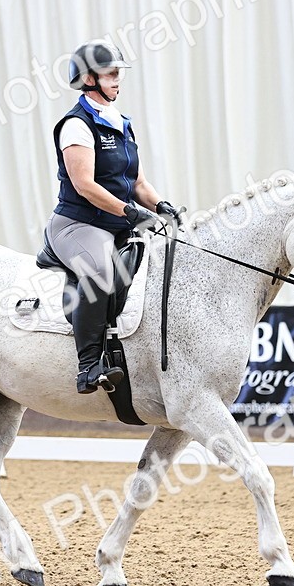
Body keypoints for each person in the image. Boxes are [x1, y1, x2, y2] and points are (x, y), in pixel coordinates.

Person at [43, 40, 183, 394]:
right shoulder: (76, 125)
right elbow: (86, 185)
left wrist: (160, 206)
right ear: (88, 79)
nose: (118, 79)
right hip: (78, 224)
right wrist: (129, 211)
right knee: (102, 269)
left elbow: (137, 182)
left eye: (119, 72)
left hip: (119, 222)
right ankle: (89, 365)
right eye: (110, 73)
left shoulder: (122, 123)